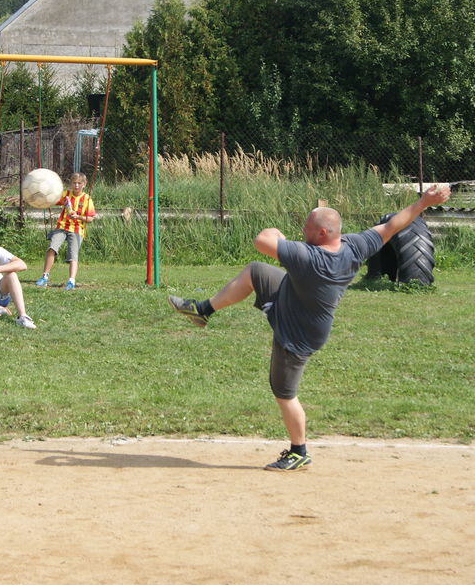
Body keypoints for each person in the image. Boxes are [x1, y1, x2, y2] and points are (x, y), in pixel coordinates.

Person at [168, 184, 451, 472]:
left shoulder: (309, 258)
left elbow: (262, 240)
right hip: (296, 301)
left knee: (284, 393)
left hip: (299, 332)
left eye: (307, 227)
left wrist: (276, 233)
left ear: (323, 233)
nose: (303, 230)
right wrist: (423, 203)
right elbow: (392, 226)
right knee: (256, 271)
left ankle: (298, 452)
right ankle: (203, 310)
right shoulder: (354, 246)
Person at [34, 172, 96, 290]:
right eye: (74, 183)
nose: (76, 185)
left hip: (77, 229)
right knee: (52, 248)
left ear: (84, 184)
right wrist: (43, 193)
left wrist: (78, 217)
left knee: (73, 255)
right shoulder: (65, 194)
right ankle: (44, 277)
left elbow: (90, 218)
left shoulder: (87, 199)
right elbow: (52, 200)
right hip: (62, 227)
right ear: (71, 183)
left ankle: (71, 281)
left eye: (79, 183)